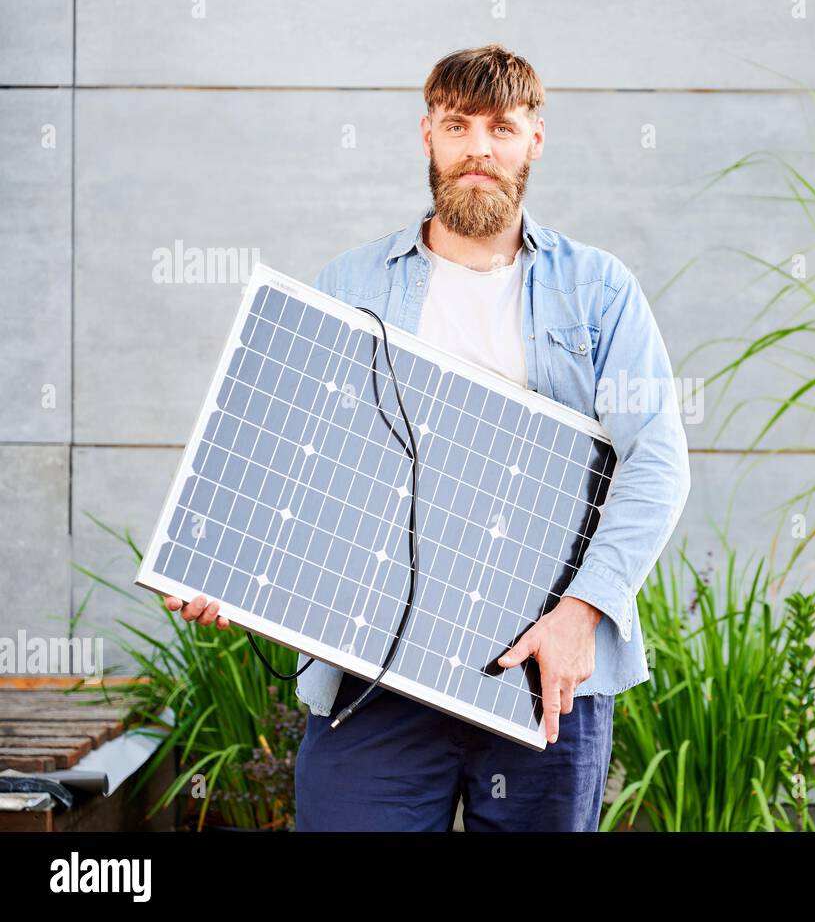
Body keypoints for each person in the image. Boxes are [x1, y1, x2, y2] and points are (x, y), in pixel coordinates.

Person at [162, 44, 691, 831]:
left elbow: (657, 462)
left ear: (535, 140)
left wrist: (581, 613)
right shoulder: (352, 283)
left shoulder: (599, 290)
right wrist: (233, 567)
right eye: (458, 124)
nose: (480, 147)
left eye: (502, 128)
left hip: (541, 672)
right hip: (375, 673)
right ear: (427, 135)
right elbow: (296, 454)